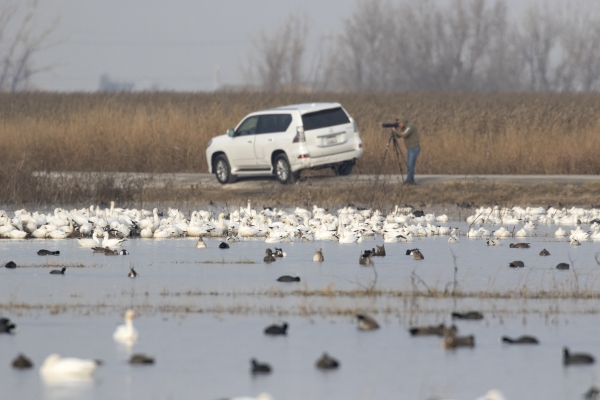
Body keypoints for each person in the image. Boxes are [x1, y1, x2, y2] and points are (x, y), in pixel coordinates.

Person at [394, 116, 420, 185]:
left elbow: (404, 135)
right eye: (397, 123)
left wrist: (395, 130)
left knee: (410, 165)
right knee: (409, 165)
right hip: (410, 148)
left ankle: (409, 180)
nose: (398, 124)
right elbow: (399, 136)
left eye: (399, 123)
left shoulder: (410, 126)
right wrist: (396, 130)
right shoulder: (403, 128)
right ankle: (411, 180)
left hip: (414, 148)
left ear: (403, 121)